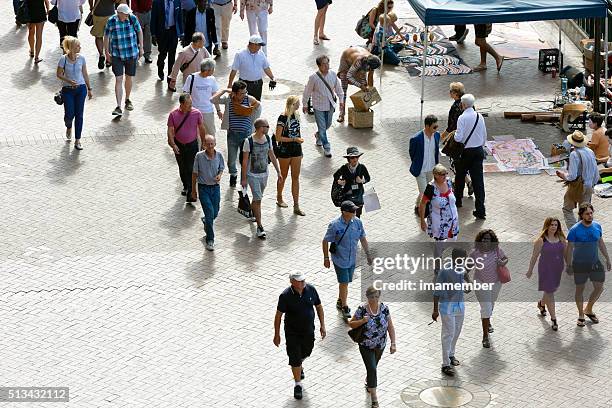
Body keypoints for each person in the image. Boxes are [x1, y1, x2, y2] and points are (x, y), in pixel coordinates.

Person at [274, 271, 326, 400]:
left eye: (303, 280)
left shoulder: (311, 290)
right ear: (292, 282)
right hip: (292, 333)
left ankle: (299, 363)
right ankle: (298, 384)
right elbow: (278, 316)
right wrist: (277, 334)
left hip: (308, 331)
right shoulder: (285, 296)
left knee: (307, 351)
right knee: (294, 356)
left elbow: (318, 307)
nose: (303, 282)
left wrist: (322, 325)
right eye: (299, 280)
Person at [322, 200, 373, 320]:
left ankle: (340, 300)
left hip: (352, 259)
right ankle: (345, 307)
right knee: (344, 283)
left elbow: (363, 238)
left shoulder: (357, 223)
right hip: (340, 259)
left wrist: (368, 254)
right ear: (344, 212)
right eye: (352, 211)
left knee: (346, 282)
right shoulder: (335, 225)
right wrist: (326, 258)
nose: (355, 212)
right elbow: (325, 241)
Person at [349, 286, 396, 408]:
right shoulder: (362, 309)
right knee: (372, 369)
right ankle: (374, 398)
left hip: (380, 345)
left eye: (376, 297)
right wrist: (362, 321)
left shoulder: (384, 308)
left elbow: (390, 326)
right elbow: (351, 323)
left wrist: (393, 343)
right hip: (366, 345)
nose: (374, 299)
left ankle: (369, 381)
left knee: (373, 367)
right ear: (367, 297)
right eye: (371, 297)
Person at [565, 204, 611, 327]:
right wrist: (568, 265)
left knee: (599, 287)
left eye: (591, 213)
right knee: (580, 289)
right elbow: (569, 249)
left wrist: (607, 258)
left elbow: (600, 243)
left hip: (595, 263)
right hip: (580, 265)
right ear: (581, 215)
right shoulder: (574, 230)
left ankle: (588, 309)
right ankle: (581, 315)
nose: (590, 215)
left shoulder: (597, 226)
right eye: (587, 213)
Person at [211, 80, 261, 187]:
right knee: (231, 161)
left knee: (244, 160)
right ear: (234, 93)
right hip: (232, 135)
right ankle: (233, 174)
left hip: (246, 135)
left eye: (245, 92)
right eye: (241, 93)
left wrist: (253, 123)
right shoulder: (229, 100)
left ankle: (244, 179)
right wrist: (224, 90)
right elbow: (213, 99)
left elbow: (258, 106)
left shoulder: (249, 99)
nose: (244, 95)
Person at [240, 118, 282, 239]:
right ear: (260, 128)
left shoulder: (268, 139)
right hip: (252, 175)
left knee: (258, 198)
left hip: (264, 174)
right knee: (258, 199)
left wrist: (278, 171)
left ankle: (252, 212)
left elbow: (271, 155)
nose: (268, 128)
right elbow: (244, 161)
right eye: (267, 126)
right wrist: (243, 179)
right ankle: (260, 227)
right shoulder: (249, 141)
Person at [526, 217, 567, 331]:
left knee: (549, 291)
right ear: (547, 226)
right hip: (545, 269)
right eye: (552, 225)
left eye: (556, 225)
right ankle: (554, 319)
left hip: (557, 269)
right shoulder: (541, 240)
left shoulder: (561, 239)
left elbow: (566, 254)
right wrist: (530, 270)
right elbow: (534, 256)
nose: (554, 227)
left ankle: (541, 304)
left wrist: (570, 266)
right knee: (550, 292)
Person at [432, 248, 468, 377]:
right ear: (454, 258)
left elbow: (465, 281)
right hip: (447, 306)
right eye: (461, 259)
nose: (462, 261)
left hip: (459, 305)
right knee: (448, 333)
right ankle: (445, 364)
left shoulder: (461, 268)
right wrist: (435, 310)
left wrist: (467, 283)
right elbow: (436, 292)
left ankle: (451, 354)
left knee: (457, 330)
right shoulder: (445, 271)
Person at [104, 4, 144, 117]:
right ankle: (118, 106)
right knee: (118, 79)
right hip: (117, 55)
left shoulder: (132, 18)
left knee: (129, 78)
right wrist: (106, 52)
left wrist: (141, 47)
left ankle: (127, 99)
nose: (127, 16)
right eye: (125, 14)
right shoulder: (111, 21)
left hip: (131, 54)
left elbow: (139, 31)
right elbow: (106, 36)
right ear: (119, 13)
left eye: (127, 14)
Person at [470, 229, 507, 348]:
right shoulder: (475, 253)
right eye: (484, 239)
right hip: (480, 283)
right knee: (486, 307)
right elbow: (467, 267)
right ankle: (485, 336)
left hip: (496, 283)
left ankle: (488, 321)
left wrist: (502, 262)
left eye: (488, 239)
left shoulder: (496, 250)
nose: (486, 241)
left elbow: (506, 258)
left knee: (491, 304)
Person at [302, 55, 344, 158]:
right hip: (318, 107)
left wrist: (341, 101)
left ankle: (318, 135)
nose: (326, 66)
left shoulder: (333, 75)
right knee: (322, 127)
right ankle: (327, 147)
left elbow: (339, 90)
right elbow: (307, 92)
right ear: (319, 66)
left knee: (328, 124)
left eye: (327, 63)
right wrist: (304, 104)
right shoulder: (313, 78)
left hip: (330, 105)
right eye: (324, 64)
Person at [556, 130, 599, 229]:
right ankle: (582, 232)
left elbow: (572, 176)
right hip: (589, 186)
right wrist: (592, 184)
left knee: (567, 209)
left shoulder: (574, 154)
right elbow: (596, 172)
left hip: (577, 186)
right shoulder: (590, 151)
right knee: (584, 211)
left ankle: (574, 230)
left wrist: (563, 175)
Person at [167, 93, 206, 202]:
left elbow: (202, 128)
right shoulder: (173, 114)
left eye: (191, 104)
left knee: (191, 167)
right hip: (179, 145)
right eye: (188, 104)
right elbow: (170, 131)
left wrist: (203, 142)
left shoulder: (196, 113)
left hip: (192, 144)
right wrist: (173, 145)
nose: (190, 106)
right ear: (182, 104)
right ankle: (185, 185)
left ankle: (190, 191)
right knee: (182, 167)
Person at [453, 93, 487, 219]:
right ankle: (480, 209)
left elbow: (459, 137)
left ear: (463, 104)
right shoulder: (480, 116)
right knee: (479, 182)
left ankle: (458, 201)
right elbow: (484, 135)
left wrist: (456, 134)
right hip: (478, 151)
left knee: (460, 176)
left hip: (466, 152)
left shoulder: (462, 118)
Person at [56, 36, 93, 151]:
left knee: (79, 115)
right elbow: (58, 74)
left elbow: (85, 74)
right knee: (69, 115)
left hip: (81, 89)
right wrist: (69, 81)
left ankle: (77, 140)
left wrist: (89, 88)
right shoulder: (63, 59)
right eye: (78, 45)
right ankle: (68, 126)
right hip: (67, 91)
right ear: (72, 47)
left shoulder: (82, 58)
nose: (80, 47)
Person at [191, 134, 224, 251]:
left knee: (215, 212)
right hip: (203, 188)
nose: (210, 146)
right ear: (204, 145)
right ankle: (210, 239)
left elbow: (221, 168)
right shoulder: (199, 156)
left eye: (212, 143)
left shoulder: (219, 155)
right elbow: (194, 173)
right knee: (210, 214)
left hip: (215, 188)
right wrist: (193, 190)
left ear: (215, 144)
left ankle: (206, 221)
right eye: (207, 144)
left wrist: (219, 176)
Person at [440, 82, 473, 197]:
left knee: (456, 162)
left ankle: (465, 183)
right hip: (469, 139)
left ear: (455, 93)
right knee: (462, 162)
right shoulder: (469, 105)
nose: (449, 93)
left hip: (457, 139)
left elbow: (451, 126)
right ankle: (467, 181)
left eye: (450, 91)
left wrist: (442, 137)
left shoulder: (455, 107)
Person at [275, 96, 306, 216]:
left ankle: (296, 205)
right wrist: (294, 139)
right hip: (284, 150)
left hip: (296, 149)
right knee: (283, 175)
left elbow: (298, 131)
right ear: (292, 104)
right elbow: (278, 137)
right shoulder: (282, 117)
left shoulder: (296, 115)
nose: (298, 105)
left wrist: (300, 147)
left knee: (296, 177)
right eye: (297, 103)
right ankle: (279, 197)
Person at [336, 47, 380, 122]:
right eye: (370, 69)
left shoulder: (372, 61)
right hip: (346, 60)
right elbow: (349, 76)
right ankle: (341, 114)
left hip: (360, 63)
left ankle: (365, 110)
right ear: (367, 65)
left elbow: (370, 80)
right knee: (344, 92)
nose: (371, 71)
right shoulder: (359, 61)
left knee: (365, 88)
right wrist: (360, 85)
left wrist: (369, 91)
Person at [227, 35, 276, 101]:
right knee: (243, 104)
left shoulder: (261, 53)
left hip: (257, 85)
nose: (260, 47)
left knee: (256, 104)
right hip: (244, 85)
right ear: (254, 45)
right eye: (259, 45)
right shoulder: (240, 54)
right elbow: (234, 70)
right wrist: (230, 84)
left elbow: (266, 67)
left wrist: (272, 78)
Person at [410, 114, 441, 214]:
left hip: (432, 169)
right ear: (427, 126)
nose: (436, 129)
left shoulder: (436, 135)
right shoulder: (416, 138)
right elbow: (412, 153)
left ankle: (417, 204)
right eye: (434, 127)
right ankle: (422, 211)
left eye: (437, 126)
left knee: (426, 191)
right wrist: (417, 163)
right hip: (421, 170)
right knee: (424, 192)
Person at [419, 164, 459, 241]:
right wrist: (422, 221)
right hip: (439, 224)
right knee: (439, 246)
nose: (445, 176)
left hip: (453, 221)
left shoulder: (449, 182)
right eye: (442, 174)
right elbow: (423, 204)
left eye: (446, 173)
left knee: (453, 240)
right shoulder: (431, 188)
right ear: (436, 175)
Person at [183, 58, 221, 136]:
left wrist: (218, 110)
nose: (214, 71)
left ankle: (209, 148)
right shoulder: (191, 78)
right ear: (208, 70)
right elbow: (185, 94)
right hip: (194, 111)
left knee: (210, 133)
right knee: (196, 134)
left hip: (208, 111)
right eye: (213, 69)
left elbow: (215, 96)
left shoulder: (212, 79)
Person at [151, 0, 184, 87]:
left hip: (173, 32)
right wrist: (153, 34)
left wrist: (181, 33)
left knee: (172, 55)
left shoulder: (177, 2)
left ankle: (170, 77)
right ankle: (160, 68)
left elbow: (180, 17)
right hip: (161, 32)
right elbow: (153, 18)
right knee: (162, 54)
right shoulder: (157, 2)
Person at [333, 147, 371, 218]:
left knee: (358, 214)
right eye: (352, 158)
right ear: (348, 159)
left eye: (357, 157)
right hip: (347, 194)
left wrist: (362, 181)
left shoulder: (362, 167)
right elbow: (335, 176)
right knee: (347, 214)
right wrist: (339, 181)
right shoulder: (344, 168)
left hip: (358, 194)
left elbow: (368, 178)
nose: (355, 159)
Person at [89, 0, 116, 69]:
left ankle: (101, 54)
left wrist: (91, 7)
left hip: (98, 13)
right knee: (110, 37)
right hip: (110, 13)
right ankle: (108, 59)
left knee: (98, 36)